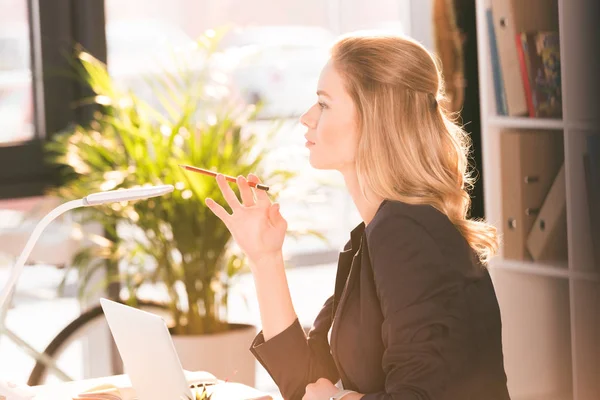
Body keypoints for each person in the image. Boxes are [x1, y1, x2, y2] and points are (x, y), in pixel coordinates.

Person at [205, 31, 511, 400]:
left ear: (374, 118)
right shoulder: (371, 235)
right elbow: (305, 384)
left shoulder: (406, 232)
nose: (306, 118)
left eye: (324, 104)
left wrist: (335, 399)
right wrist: (264, 257)